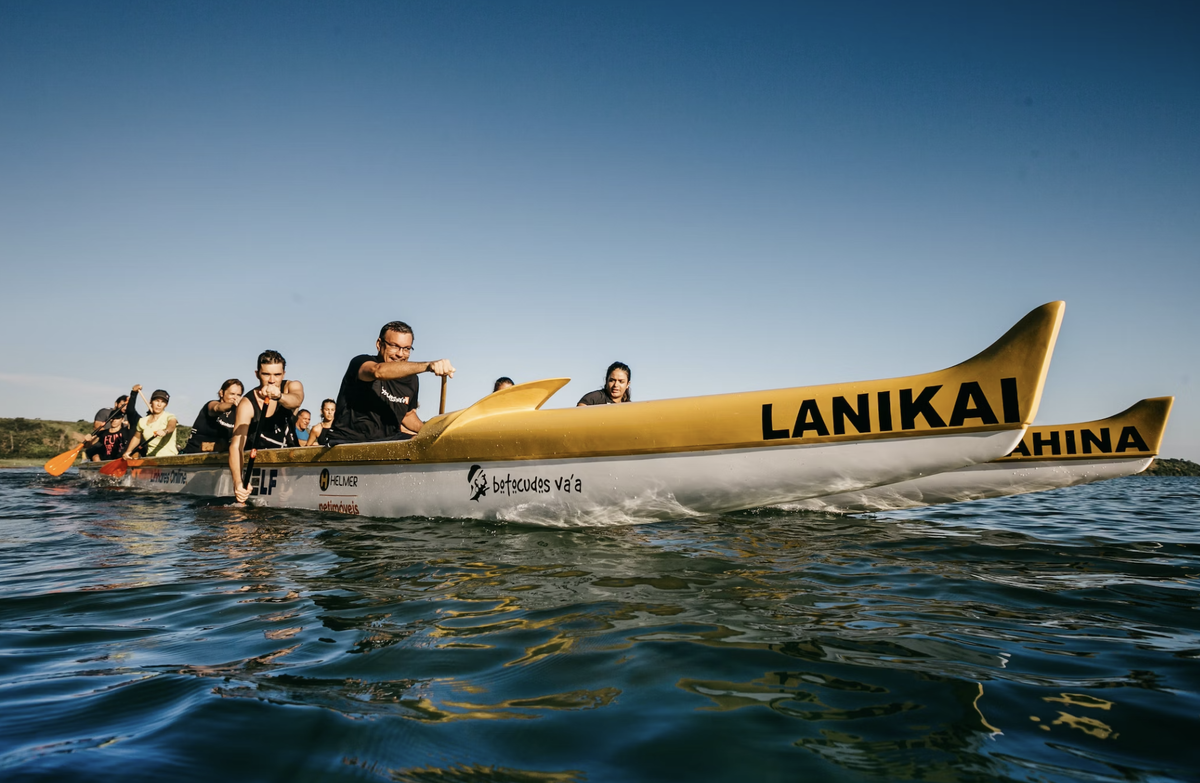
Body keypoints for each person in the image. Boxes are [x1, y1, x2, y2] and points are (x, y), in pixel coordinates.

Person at [327, 320, 454, 446]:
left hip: (388, 440)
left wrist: (430, 431)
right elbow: (378, 372)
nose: (400, 354)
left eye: (406, 349)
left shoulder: (412, 379)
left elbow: (407, 416)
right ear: (379, 344)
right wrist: (428, 366)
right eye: (394, 346)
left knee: (422, 442)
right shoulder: (361, 363)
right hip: (349, 441)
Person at [229, 350, 305, 502]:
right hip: (260, 467)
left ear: (283, 374)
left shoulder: (292, 386)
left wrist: (279, 396)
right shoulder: (247, 403)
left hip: (289, 469)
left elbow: (296, 400)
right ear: (257, 374)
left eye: (277, 375)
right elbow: (236, 445)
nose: (272, 380)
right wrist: (238, 481)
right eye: (266, 374)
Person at [182, 379, 244, 454]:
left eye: (239, 395)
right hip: (193, 455)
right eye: (232, 394)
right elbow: (217, 408)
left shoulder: (237, 414)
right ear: (221, 393)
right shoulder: (211, 405)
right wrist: (232, 405)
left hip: (218, 458)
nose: (235, 398)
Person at [121, 389, 179, 458]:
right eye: (156, 401)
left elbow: (171, 426)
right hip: (151, 459)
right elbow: (137, 437)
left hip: (169, 458)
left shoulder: (170, 416)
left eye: (163, 402)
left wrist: (165, 431)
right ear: (151, 401)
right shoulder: (142, 421)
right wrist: (128, 451)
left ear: (166, 405)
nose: (159, 404)